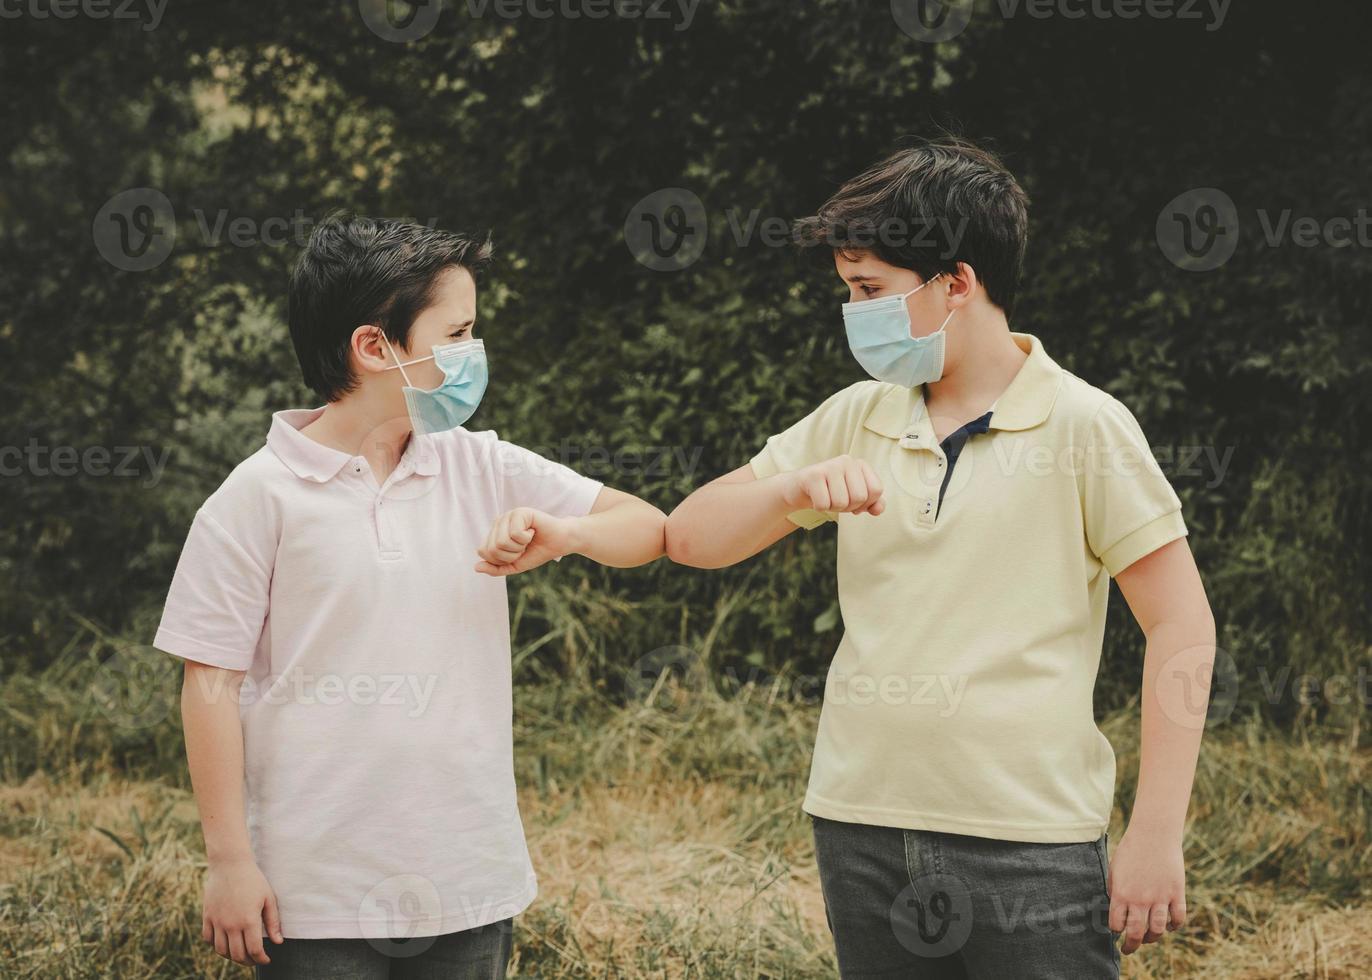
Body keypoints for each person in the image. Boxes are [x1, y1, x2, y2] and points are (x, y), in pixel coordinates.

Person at [666, 137, 1217, 978]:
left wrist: (1154, 831)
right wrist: (791, 489)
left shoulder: (1086, 426)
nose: (854, 313)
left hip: (1031, 844)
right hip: (860, 826)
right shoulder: (856, 416)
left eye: (870, 291)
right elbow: (690, 537)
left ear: (956, 283)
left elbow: (1181, 624)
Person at [154, 215, 665, 978]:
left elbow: (648, 527)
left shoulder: (480, 465)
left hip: (466, 877)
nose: (472, 355)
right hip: (313, 891)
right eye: (456, 335)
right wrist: (229, 861)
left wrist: (567, 534)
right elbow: (209, 685)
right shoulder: (254, 497)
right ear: (374, 347)